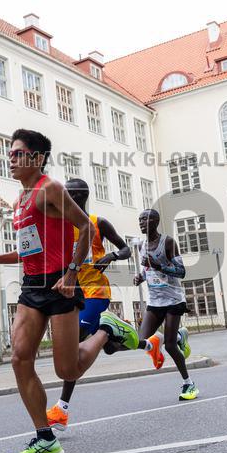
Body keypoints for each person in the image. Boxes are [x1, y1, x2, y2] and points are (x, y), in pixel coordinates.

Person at [0, 130, 137, 453]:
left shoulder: (51, 189)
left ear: (37, 158)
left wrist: (73, 272)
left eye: (17, 153)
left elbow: (87, 228)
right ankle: (45, 437)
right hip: (32, 286)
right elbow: (30, 250)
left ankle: (107, 328)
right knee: (20, 359)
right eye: (10, 154)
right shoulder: (20, 202)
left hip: (62, 284)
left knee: (67, 369)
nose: (11, 159)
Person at [46, 178, 132, 431]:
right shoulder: (61, 224)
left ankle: (62, 408)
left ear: (80, 196)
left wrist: (111, 255)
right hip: (72, 292)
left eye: (69, 194)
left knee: (75, 341)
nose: (65, 198)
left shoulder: (98, 223)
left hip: (96, 290)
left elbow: (126, 249)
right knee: (101, 346)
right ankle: (122, 335)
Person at [133, 209, 197, 401]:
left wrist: (159, 265)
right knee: (139, 340)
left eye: (145, 219)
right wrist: (141, 277)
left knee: (169, 346)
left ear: (156, 221)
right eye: (140, 220)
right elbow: (147, 269)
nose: (142, 222)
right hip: (155, 300)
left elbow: (181, 271)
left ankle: (188, 383)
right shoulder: (142, 245)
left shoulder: (167, 242)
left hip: (173, 299)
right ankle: (178, 335)